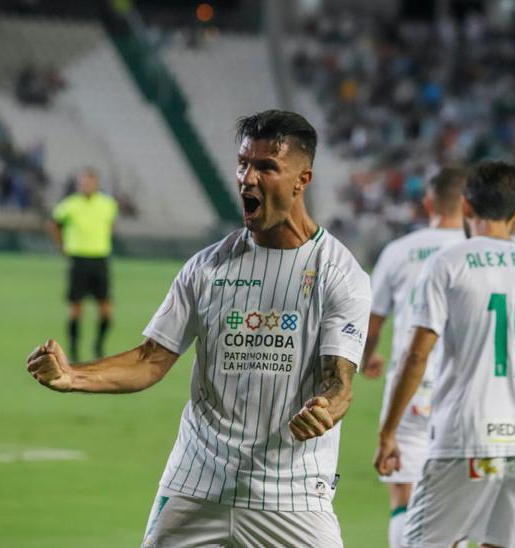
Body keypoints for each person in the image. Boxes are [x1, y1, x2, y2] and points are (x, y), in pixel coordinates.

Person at [28, 110, 369, 547]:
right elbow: (150, 360)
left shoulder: (339, 274)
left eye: (266, 167)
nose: (248, 178)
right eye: (243, 163)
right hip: (195, 485)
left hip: (292, 494)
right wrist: (73, 376)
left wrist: (327, 408)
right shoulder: (207, 267)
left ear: (302, 180)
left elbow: (339, 382)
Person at [375, 161, 515, 547]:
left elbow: (416, 355)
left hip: (467, 436)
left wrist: (389, 431)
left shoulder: (448, 263)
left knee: (423, 542)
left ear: (468, 208)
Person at [359, 167, 467, 547]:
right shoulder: (478, 252)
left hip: (411, 384)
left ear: (428, 202)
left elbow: (372, 320)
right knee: (458, 501)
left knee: (403, 494)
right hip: (464, 385)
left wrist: (368, 357)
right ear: (468, 204)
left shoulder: (399, 250)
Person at [48, 167, 118, 361]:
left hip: (100, 259)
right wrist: (62, 246)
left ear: (96, 183)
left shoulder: (108, 204)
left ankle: (98, 346)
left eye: (89, 182)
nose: (86, 185)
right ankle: (74, 351)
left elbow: (110, 225)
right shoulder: (70, 205)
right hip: (78, 259)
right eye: (83, 182)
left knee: (105, 309)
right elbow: (53, 224)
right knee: (76, 308)